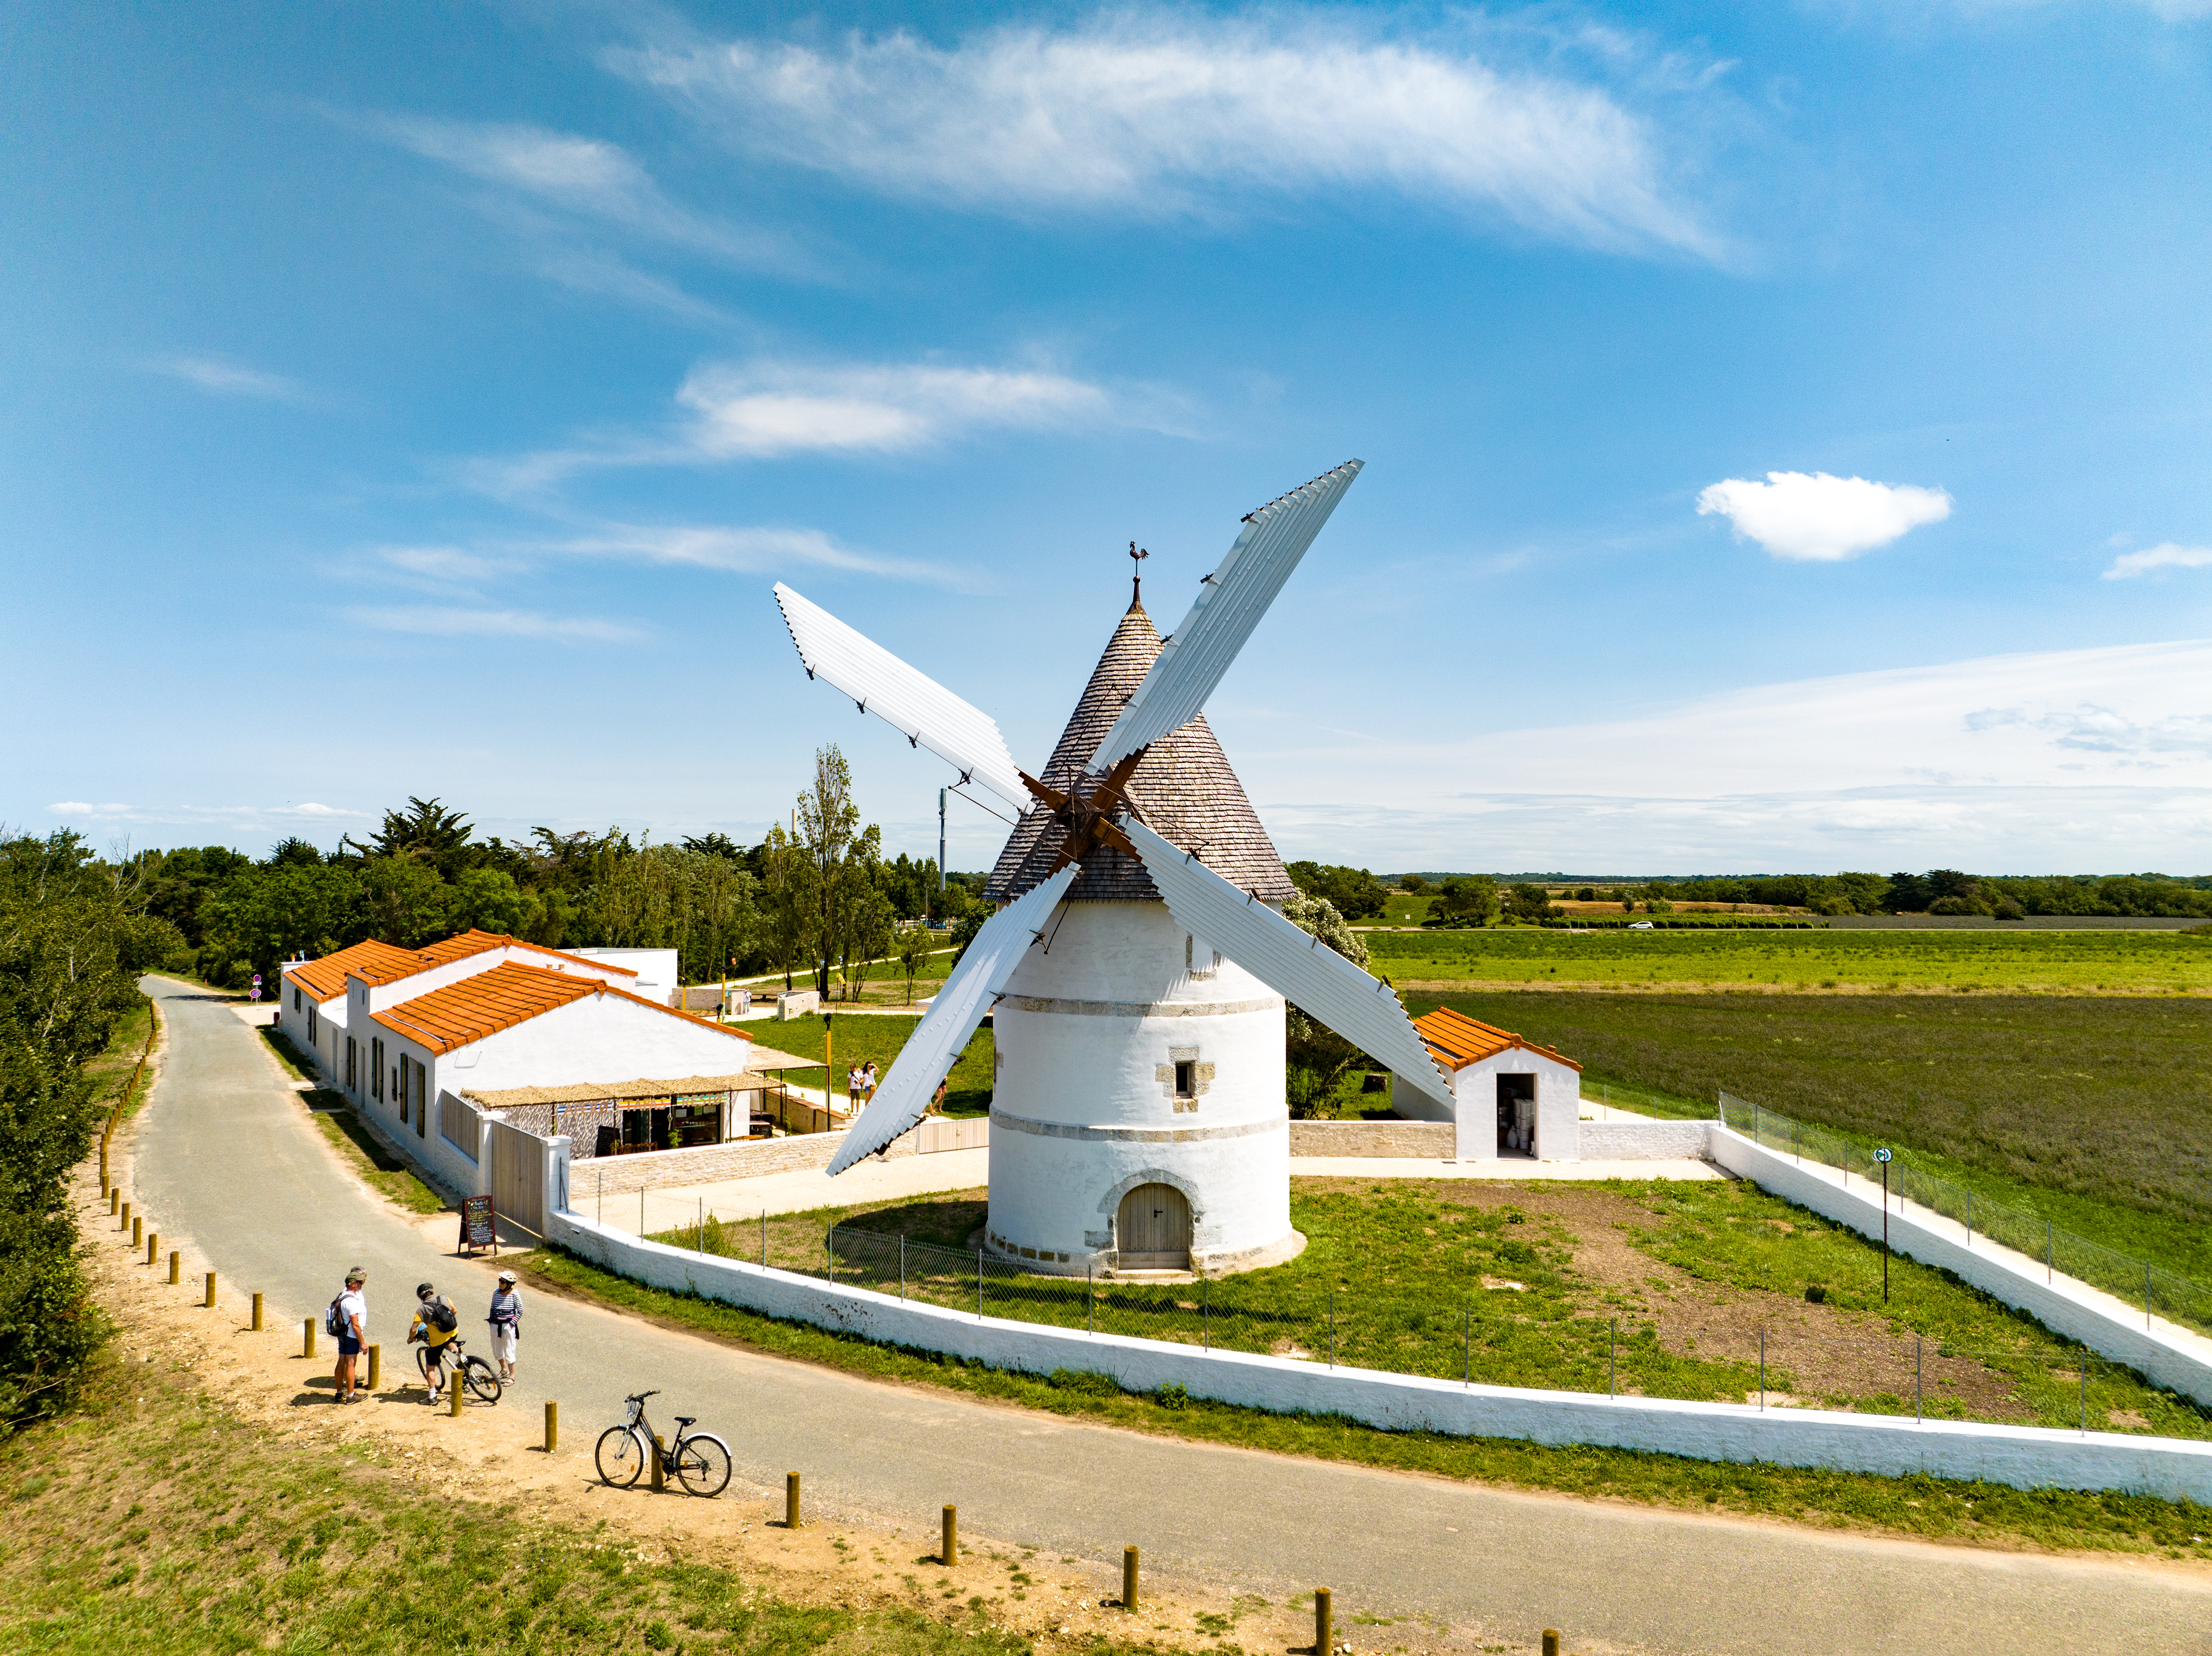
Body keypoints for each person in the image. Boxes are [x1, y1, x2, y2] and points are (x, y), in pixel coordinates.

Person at [407, 1280, 460, 1404]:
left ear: (421, 1298)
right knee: (449, 1341)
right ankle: (463, 1359)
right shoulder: (443, 1298)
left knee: (430, 1366)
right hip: (453, 1331)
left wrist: (411, 1338)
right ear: (432, 1292)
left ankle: (432, 1397)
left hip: (438, 1340)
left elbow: (414, 1329)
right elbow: (455, 1311)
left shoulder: (422, 1309)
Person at [331, 1267, 367, 1403]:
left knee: (341, 1361)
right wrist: (363, 1343)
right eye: (359, 1282)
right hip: (352, 1336)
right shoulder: (351, 1301)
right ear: (353, 1284)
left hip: (342, 1334)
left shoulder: (342, 1295)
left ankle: (339, 1393)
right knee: (351, 1364)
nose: (362, 1284)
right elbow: (356, 1325)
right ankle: (351, 1396)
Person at [488, 1270, 522, 1383]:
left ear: (509, 1285)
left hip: (508, 1326)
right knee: (497, 1350)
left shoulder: (514, 1294)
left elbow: (520, 1311)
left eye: (503, 1282)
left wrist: (511, 1324)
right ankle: (504, 1370)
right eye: (500, 1281)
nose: (500, 1283)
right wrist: (491, 1321)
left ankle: (512, 1375)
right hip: (495, 1325)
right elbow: (492, 1307)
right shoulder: (496, 1293)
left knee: (509, 1350)